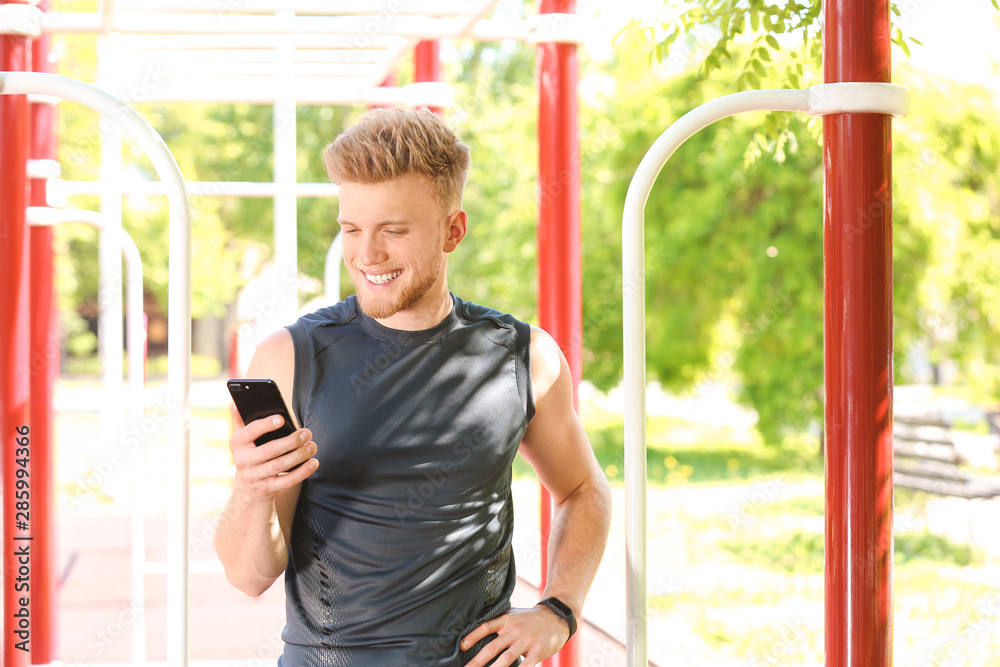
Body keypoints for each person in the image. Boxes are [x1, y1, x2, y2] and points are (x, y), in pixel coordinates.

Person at [214, 106, 612, 667]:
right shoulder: (290, 357)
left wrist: (559, 609)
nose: (367, 255)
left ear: (454, 231)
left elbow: (583, 490)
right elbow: (248, 575)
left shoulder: (528, 356)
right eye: (351, 229)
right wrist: (252, 491)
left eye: (393, 231)